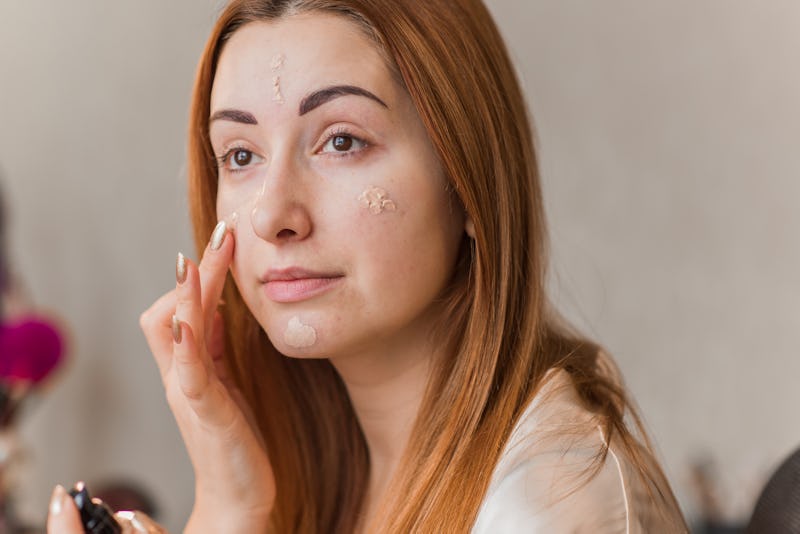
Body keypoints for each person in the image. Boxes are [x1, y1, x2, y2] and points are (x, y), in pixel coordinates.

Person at [48, 0, 687, 532]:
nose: (274, 215)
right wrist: (228, 502)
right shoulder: (329, 477)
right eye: (240, 155)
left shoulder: (551, 503)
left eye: (342, 141)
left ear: (467, 183)